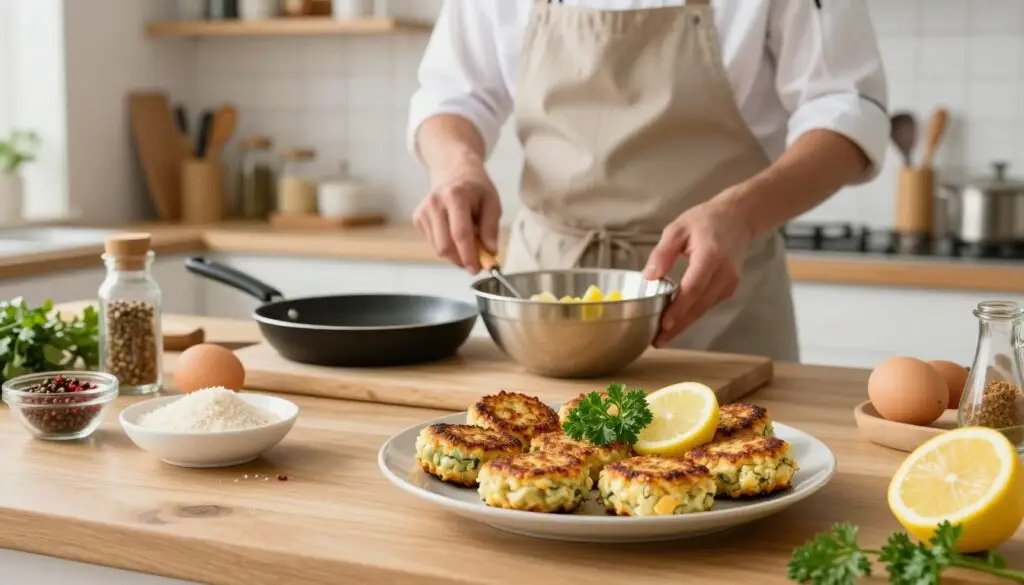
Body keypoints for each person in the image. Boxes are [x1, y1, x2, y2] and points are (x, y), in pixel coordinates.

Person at [407, 0, 888, 362]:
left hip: (712, 298)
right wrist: (456, 166)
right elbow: (452, 94)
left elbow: (847, 113)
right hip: (544, 303)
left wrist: (741, 213)